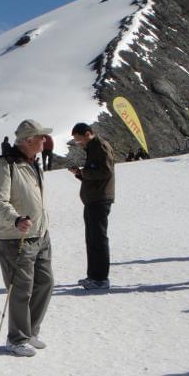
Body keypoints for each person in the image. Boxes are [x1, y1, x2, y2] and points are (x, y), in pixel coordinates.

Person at [0, 119, 54, 357]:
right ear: (28, 140)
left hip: (40, 235)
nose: (45, 140)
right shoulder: (6, 164)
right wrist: (15, 219)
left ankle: (30, 331)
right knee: (20, 290)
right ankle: (16, 339)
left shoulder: (34, 163)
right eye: (40, 136)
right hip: (15, 237)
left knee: (45, 283)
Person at [69, 123, 116, 290]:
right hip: (92, 199)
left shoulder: (100, 146)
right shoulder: (92, 148)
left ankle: (101, 279)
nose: (78, 143)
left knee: (98, 239)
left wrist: (84, 173)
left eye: (79, 139)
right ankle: (93, 276)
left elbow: (106, 171)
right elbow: (95, 173)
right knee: (92, 239)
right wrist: (80, 174)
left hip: (100, 199)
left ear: (88, 134)